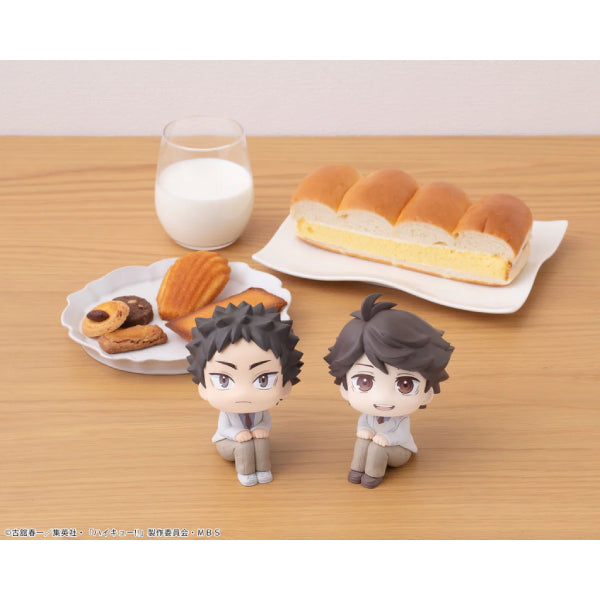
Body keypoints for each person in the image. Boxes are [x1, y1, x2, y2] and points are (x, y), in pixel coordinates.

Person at [324, 293, 453, 489]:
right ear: (345, 387)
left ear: (427, 393)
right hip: (375, 443)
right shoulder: (368, 415)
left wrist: (386, 439)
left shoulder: (400, 419)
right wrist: (365, 431)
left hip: (398, 450)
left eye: (405, 385)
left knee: (377, 449)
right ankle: (356, 471)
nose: (383, 398)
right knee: (362, 442)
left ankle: (372, 477)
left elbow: (400, 435)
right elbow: (364, 423)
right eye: (364, 382)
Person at [187, 302, 303, 486]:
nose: (243, 394)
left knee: (262, 441)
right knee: (245, 446)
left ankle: (263, 470)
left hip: (255, 439)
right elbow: (224, 428)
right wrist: (237, 434)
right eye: (223, 380)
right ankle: (246, 473)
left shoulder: (261, 411)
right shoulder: (227, 413)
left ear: (285, 386)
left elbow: (266, 422)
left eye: (263, 380)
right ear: (204, 388)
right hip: (228, 442)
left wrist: (262, 429)